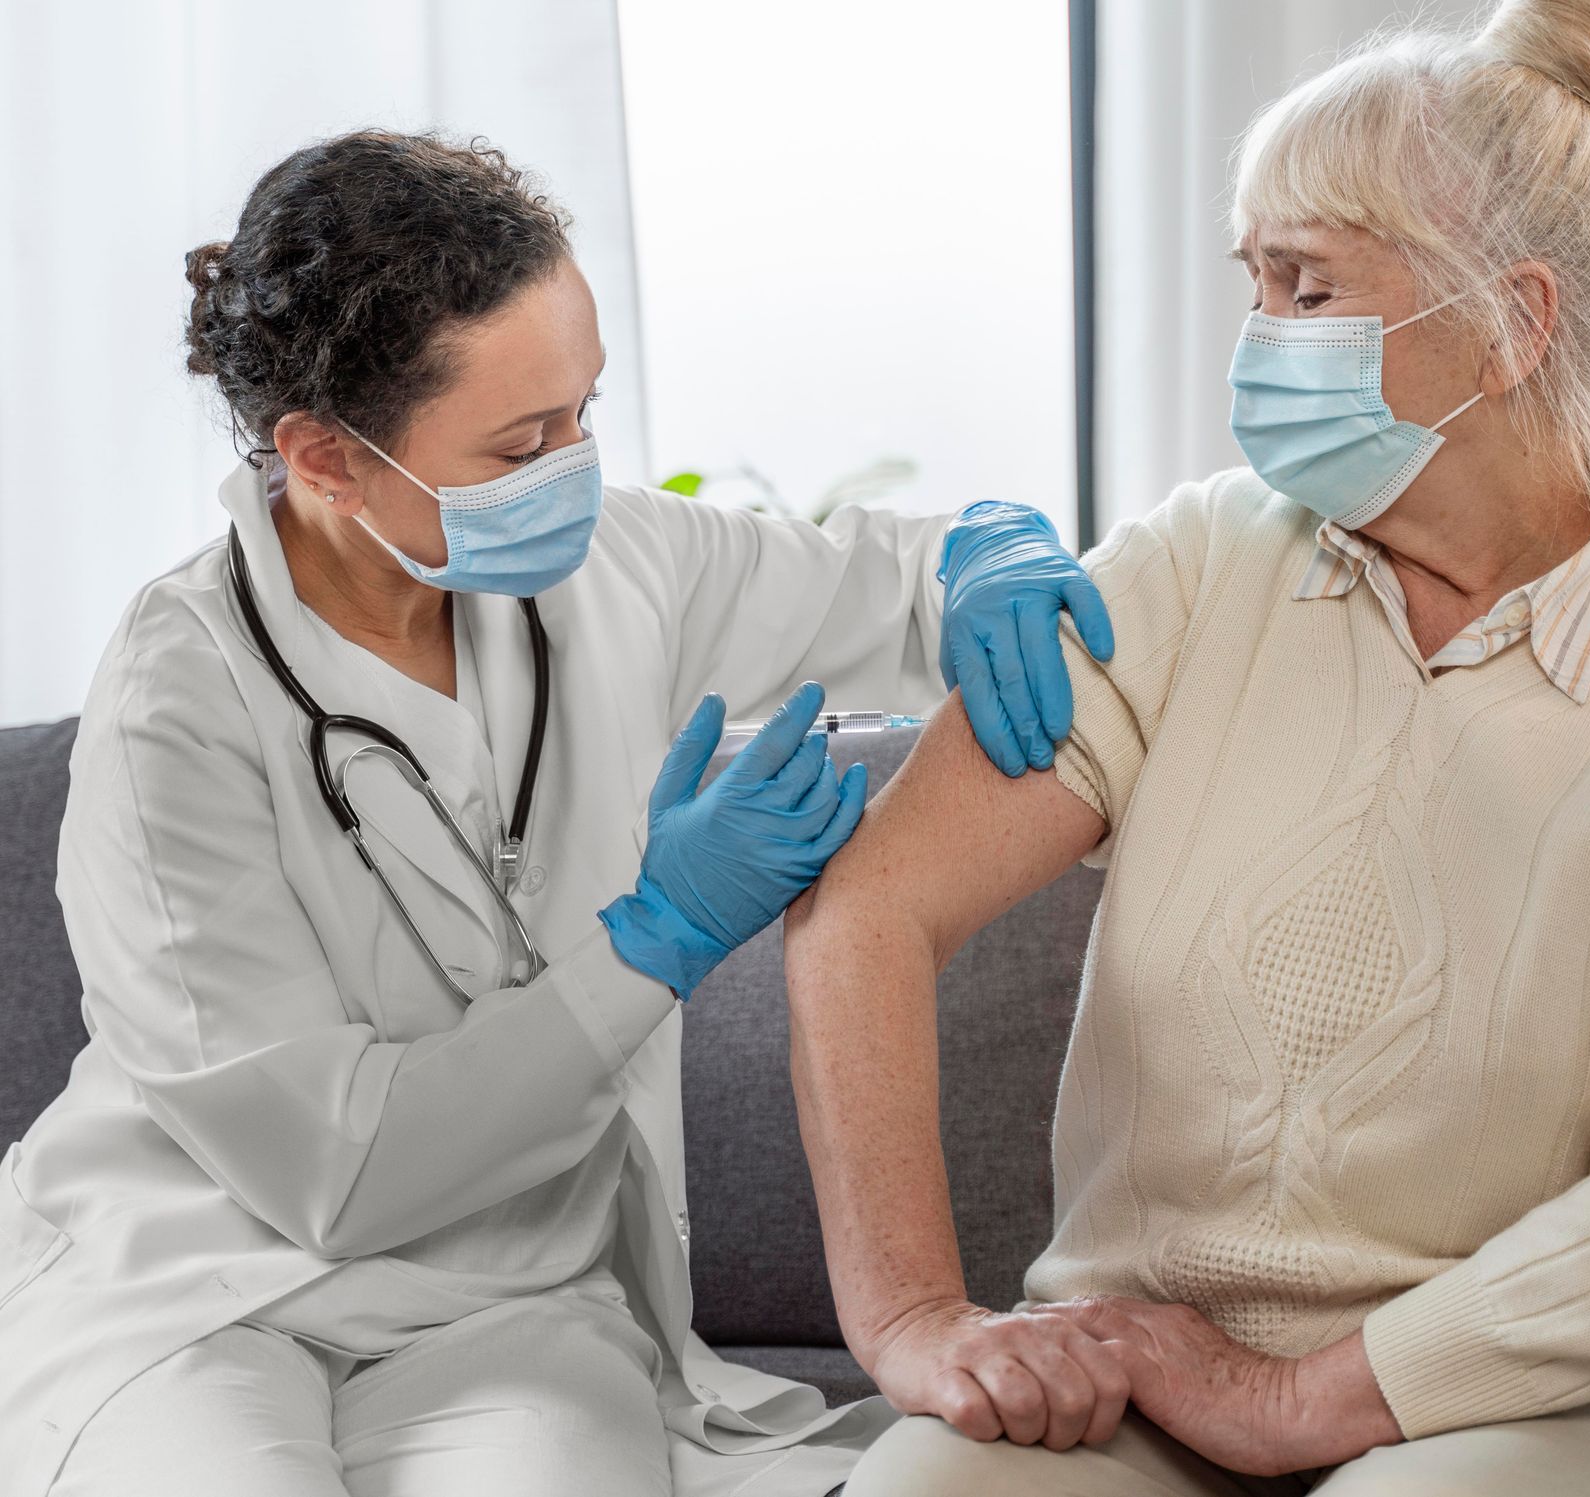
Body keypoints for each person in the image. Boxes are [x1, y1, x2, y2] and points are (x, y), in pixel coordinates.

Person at [782, 2, 1590, 1494]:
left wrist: (1308, 1397)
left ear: (1516, 323)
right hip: (1154, 1379)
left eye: (1306, 286)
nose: (1259, 342)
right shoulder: (1191, 568)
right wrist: (914, 1320)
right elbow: (870, 908)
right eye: (1255, 281)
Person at [0, 131, 1112, 1497]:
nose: (576, 469)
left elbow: (887, 578)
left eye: (584, 411)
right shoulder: (176, 704)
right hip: (193, 1287)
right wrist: (655, 940)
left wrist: (988, 549)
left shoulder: (610, 567)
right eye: (524, 440)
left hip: (510, 1292)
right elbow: (335, 1177)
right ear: (323, 458)